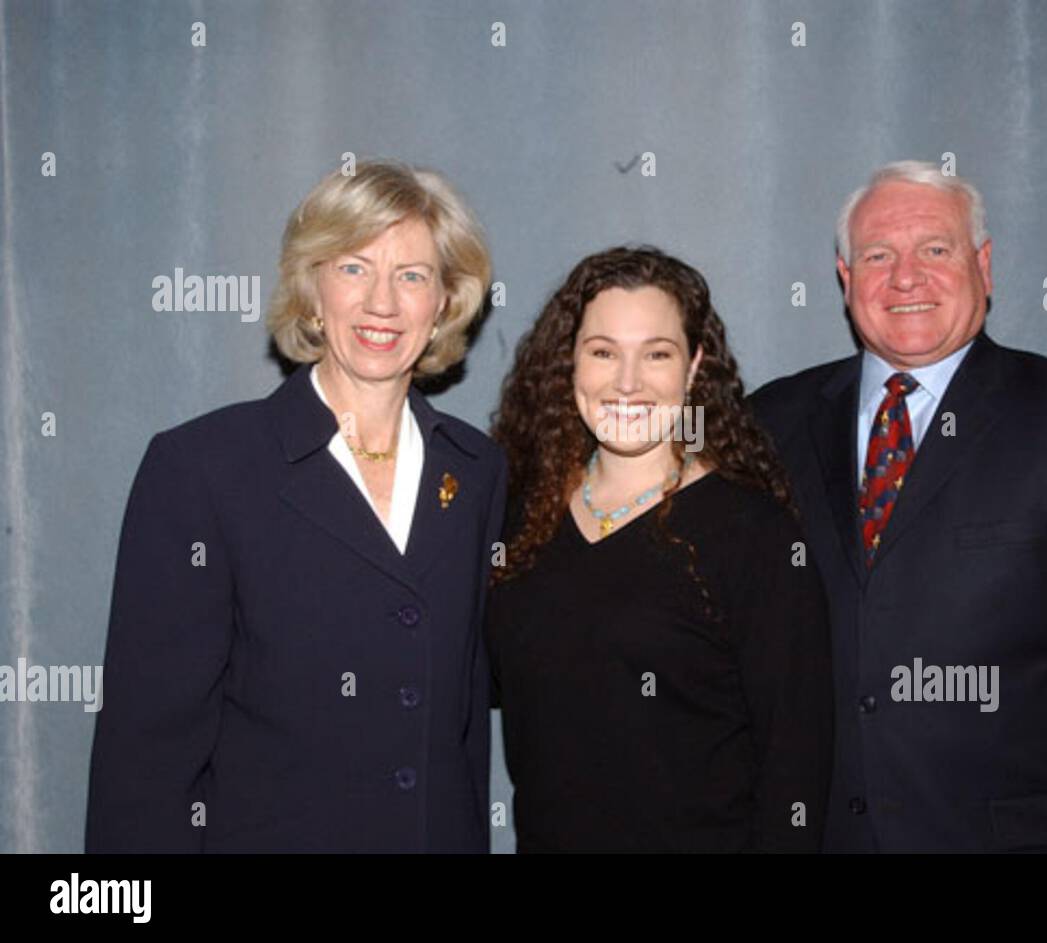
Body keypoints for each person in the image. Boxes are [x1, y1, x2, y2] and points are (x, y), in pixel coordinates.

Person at [750, 160, 1047, 853]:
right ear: (846, 279)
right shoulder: (771, 422)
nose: (906, 276)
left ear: (983, 265)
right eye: (878, 255)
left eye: (935, 248)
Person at [85, 159, 505, 852]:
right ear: (312, 292)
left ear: (444, 305)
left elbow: (463, 735)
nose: (382, 302)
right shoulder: (203, 468)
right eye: (352, 268)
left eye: (412, 275)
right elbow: (145, 755)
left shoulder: (478, 470)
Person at [487, 246, 832, 852]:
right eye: (602, 352)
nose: (627, 382)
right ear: (567, 363)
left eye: (657, 354)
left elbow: (796, 762)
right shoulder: (518, 520)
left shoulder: (755, 534)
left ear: (695, 367)